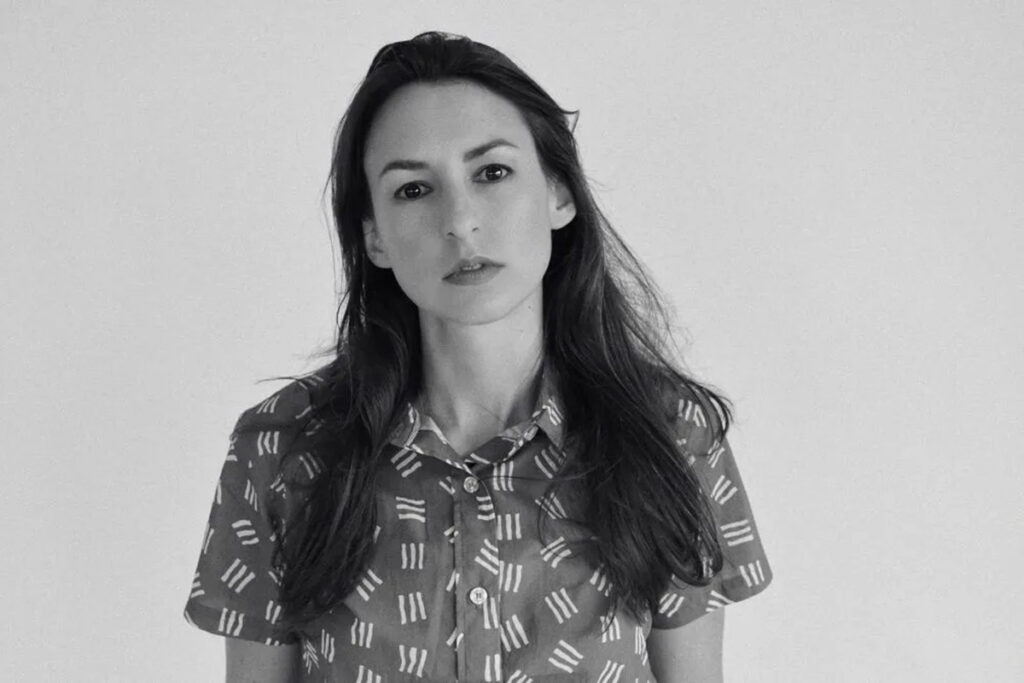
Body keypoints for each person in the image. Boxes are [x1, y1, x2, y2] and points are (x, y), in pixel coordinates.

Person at [183, 30, 772, 683]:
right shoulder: (283, 449)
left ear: (559, 193)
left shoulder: (672, 432)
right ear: (373, 235)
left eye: (492, 173)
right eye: (413, 189)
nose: (460, 221)